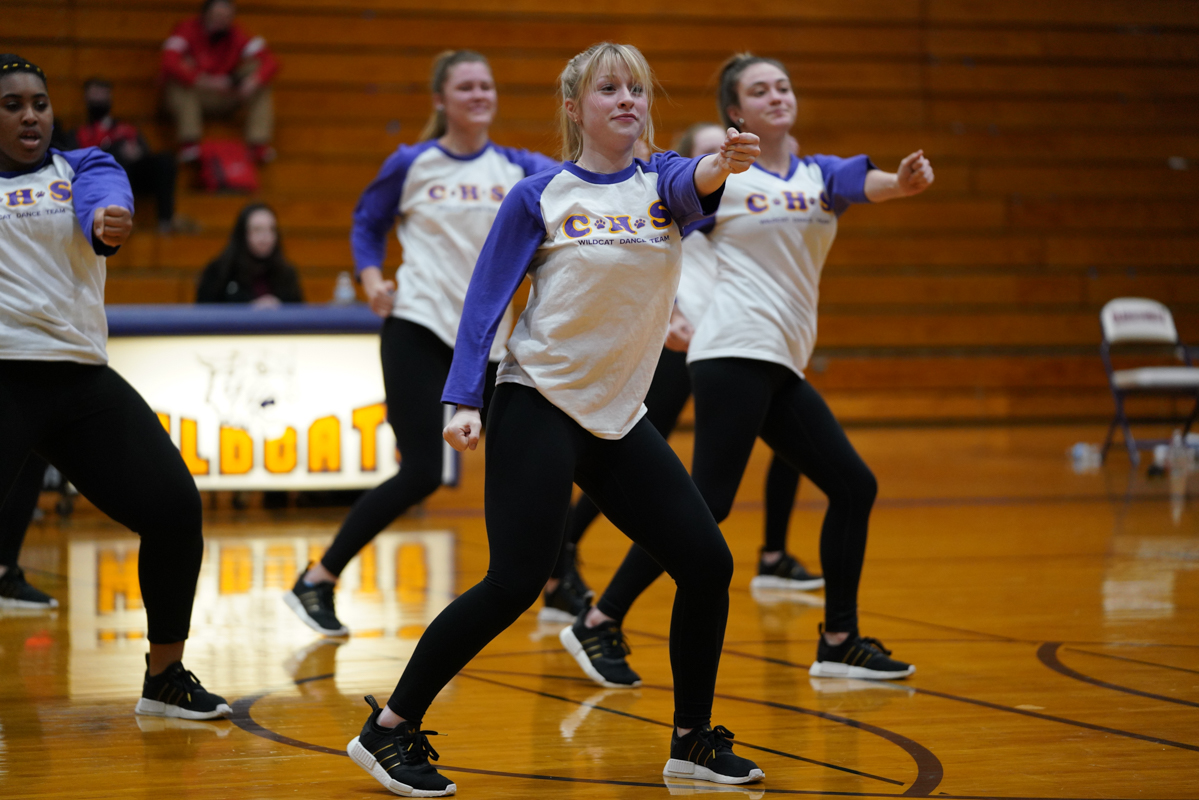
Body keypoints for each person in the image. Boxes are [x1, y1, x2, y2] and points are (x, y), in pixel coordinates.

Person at [342, 43, 764, 797]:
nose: (627, 99)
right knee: (515, 582)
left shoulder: (664, 181)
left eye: (636, 88)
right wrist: (462, 398)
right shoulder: (538, 195)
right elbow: (484, 301)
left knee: (707, 563)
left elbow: (694, 180)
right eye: (609, 89)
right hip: (536, 400)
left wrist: (720, 163)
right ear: (574, 108)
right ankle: (389, 728)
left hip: (616, 415)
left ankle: (691, 742)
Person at [571, 53, 935, 688]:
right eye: (760, 91)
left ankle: (839, 643)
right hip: (733, 350)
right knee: (713, 506)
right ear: (736, 112)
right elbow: (659, 240)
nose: (777, 96)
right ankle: (599, 620)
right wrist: (666, 314)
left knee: (847, 489)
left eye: (783, 86)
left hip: (779, 359)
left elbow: (870, 184)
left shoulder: (820, 175)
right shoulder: (726, 178)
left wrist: (902, 183)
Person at [282, 50, 558, 639]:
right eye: (466, 86)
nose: (479, 94)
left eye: (486, 85)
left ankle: (562, 583)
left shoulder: (518, 166)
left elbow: (582, 183)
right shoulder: (413, 163)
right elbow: (367, 221)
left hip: (488, 341)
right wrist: (371, 277)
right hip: (418, 327)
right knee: (423, 473)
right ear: (440, 100)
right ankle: (318, 579)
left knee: (532, 463)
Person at [0, 54, 229, 718]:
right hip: (5, 374)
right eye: (12, 105)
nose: (30, 116)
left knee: (174, 510)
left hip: (79, 379)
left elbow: (107, 200)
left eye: (39, 103)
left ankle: (165, 678)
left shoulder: (83, 167)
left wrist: (108, 219)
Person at [539, 123, 819, 626]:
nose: (718, 155)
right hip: (671, 347)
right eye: (707, 151)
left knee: (788, 440)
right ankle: (565, 558)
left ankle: (774, 553)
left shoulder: (738, 204)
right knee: (627, 456)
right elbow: (638, 267)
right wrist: (672, 317)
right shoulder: (673, 199)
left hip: (729, 344)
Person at [160, 0, 278, 163]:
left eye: (226, 17)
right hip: (195, 94)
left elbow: (271, 62)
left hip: (225, 95)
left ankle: (258, 143)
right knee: (177, 78)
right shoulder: (186, 29)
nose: (221, 20)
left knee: (259, 76)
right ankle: (189, 142)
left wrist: (253, 82)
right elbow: (168, 61)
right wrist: (204, 80)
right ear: (205, 15)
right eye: (217, 15)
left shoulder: (237, 34)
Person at [72, 78, 180, 233]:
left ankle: (165, 222)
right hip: (101, 183)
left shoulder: (126, 129)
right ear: (86, 98)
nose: (99, 99)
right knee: (114, 156)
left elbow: (145, 153)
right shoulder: (79, 134)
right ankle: (119, 218)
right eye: (95, 94)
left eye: (103, 94)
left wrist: (137, 152)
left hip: (133, 177)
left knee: (165, 161)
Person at [196, 202, 303, 306]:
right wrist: (249, 311)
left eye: (271, 229)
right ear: (243, 234)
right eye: (257, 230)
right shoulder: (220, 272)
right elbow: (204, 312)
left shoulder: (286, 274)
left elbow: (300, 312)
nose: (265, 236)